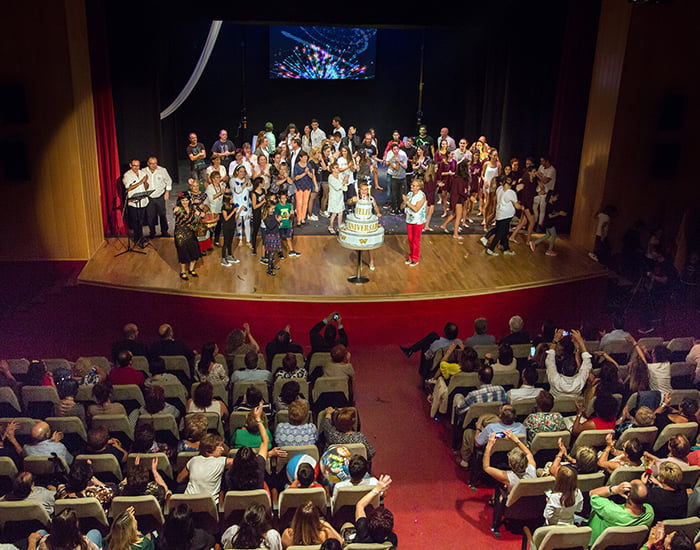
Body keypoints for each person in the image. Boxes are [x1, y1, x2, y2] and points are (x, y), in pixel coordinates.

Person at [587, 480, 654, 546]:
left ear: (628, 494)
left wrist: (615, 489)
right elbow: (640, 495)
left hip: (592, 544)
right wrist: (640, 487)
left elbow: (592, 493)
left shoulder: (611, 510)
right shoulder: (649, 512)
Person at [176, 432, 233, 505]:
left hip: (188, 502)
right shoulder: (221, 461)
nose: (222, 449)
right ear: (209, 449)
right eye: (220, 446)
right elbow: (241, 460)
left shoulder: (193, 460)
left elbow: (179, 479)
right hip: (209, 505)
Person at [348, 474, 397, 546]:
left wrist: (377, 489)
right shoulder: (392, 539)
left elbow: (360, 505)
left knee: (347, 525)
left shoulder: (362, 531)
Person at [546, 329, 592, 399]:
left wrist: (555, 340)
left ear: (562, 369)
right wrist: (580, 342)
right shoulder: (580, 381)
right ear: (577, 369)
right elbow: (587, 362)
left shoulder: (555, 379)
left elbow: (549, 360)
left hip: (556, 408)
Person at [28, 508, 102, 550]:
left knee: (41, 532)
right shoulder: (84, 543)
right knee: (95, 532)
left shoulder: (45, 543)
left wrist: (32, 541)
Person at [173, 191, 202, 280]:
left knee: (194, 251)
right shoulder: (178, 208)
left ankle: (191, 269)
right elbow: (175, 211)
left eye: (186, 200)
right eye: (183, 200)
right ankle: (183, 272)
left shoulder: (193, 208)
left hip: (191, 232)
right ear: (180, 201)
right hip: (180, 233)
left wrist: (200, 213)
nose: (185, 202)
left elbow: (201, 214)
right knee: (183, 253)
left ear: (189, 200)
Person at [530, 191, 567, 256]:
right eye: (556, 197)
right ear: (551, 196)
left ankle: (534, 243)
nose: (557, 198)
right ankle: (549, 250)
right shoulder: (549, 205)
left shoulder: (550, 204)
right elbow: (550, 216)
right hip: (550, 223)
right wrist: (559, 213)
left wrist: (559, 213)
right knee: (554, 236)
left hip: (549, 222)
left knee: (548, 235)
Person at [122, 159, 150, 247]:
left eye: (137, 166)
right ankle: (137, 239)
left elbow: (146, 187)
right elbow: (129, 188)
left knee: (141, 221)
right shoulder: (127, 175)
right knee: (136, 222)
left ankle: (141, 237)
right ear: (130, 165)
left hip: (143, 201)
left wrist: (145, 182)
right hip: (133, 202)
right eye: (134, 166)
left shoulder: (142, 173)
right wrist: (141, 181)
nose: (136, 168)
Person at [143, 156, 172, 239]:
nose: (153, 165)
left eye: (155, 163)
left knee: (162, 214)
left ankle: (164, 232)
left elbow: (169, 181)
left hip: (160, 196)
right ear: (148, 163)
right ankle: (152, 232)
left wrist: (167, 192)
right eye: (151, 164)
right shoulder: (143, 171)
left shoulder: (162, 170)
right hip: (149, 197)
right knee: (150, 216)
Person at [401, 177, 427, 266]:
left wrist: (407, 202)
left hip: (418, 221)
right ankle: (411, 256)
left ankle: (415, 258)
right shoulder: (409, 194)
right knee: (410, 239)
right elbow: (402, 207)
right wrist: (404, 203)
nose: (411, 186)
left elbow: (416, 209)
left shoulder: (421, 196)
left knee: (416, 240)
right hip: (409, 219)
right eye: (412, 185)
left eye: (414, 185)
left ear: (419, 187)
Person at [385, 144, 408, 215]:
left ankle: (401, 209)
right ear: (392, 150)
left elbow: (405, 166)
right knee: (394, 194)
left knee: (402, 194)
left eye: (397, 149)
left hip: (402, 178)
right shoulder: (391, 159)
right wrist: (397, 162)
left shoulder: (403, 156)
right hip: (395, 178)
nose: (396, 151)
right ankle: (395, 209)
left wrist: (399, 162)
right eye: (394, 149)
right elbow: (396, 168)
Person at [327, 162, 348, 234]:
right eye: (336, 167)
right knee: (334, 213)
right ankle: (331, 226)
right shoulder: (330, 177)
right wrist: (343, 182)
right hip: (334, 197)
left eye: (337, 167)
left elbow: (345, 180)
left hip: (340, 196)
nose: (337, 169)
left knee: (340, 213)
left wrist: (346, 179)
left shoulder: (340, 175)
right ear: (332, 169)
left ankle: (339, 226)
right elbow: (337, 187)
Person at [262, 201, 282, 276]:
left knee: (273, 253)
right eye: (272, 209)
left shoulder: (272, 215)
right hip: (271, 236)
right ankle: (269, 269)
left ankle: (272, 265)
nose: (273, 210)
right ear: (267, 209)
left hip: (275, 234)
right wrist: (277, 221)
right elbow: (270, 226)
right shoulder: (266, 217)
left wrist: (278, 223)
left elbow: (274, 223)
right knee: (271, 253)